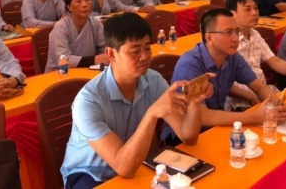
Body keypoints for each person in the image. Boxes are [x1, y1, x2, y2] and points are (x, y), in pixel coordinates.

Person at [61, 13, 210, 187]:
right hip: (91, 174)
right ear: (111, 53)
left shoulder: (153, 81)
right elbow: (123, 167)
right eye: (135, 50)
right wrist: (152, 114)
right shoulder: (88, 101)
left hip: (137, 163)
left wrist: (194, 103)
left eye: (147, 48)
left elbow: (188, 136)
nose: (145, 57)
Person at [161, 8, 286, 145]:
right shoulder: (189, 65)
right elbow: (203, 116)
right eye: (228, 32)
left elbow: (258, 87)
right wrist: (253, 117)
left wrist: (276, 106)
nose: (235, 38)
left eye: (237, 31)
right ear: (209, 37)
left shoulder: (233, 57)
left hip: (217, 129)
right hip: (183, 140)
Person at [46, 0, 108, 72]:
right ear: (69, 7)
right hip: (61, 73)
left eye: (87, 0)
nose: (84, 4)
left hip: (88, 70)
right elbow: (63, 59)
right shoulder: (61, 27)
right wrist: (95, 59)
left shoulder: (96, 24)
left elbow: (105, 49)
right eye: (79, 1)